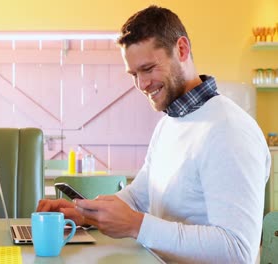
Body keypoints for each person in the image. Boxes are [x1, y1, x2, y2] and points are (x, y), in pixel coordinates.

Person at [37, 5, 270, 264]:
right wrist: (85, 213)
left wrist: (137, 226)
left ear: (181, 49)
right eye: (134, 74)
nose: (142, 84)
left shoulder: (230, 130)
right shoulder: (170, 123)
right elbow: (140, 196)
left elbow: (237, 250)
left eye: (148, 69)